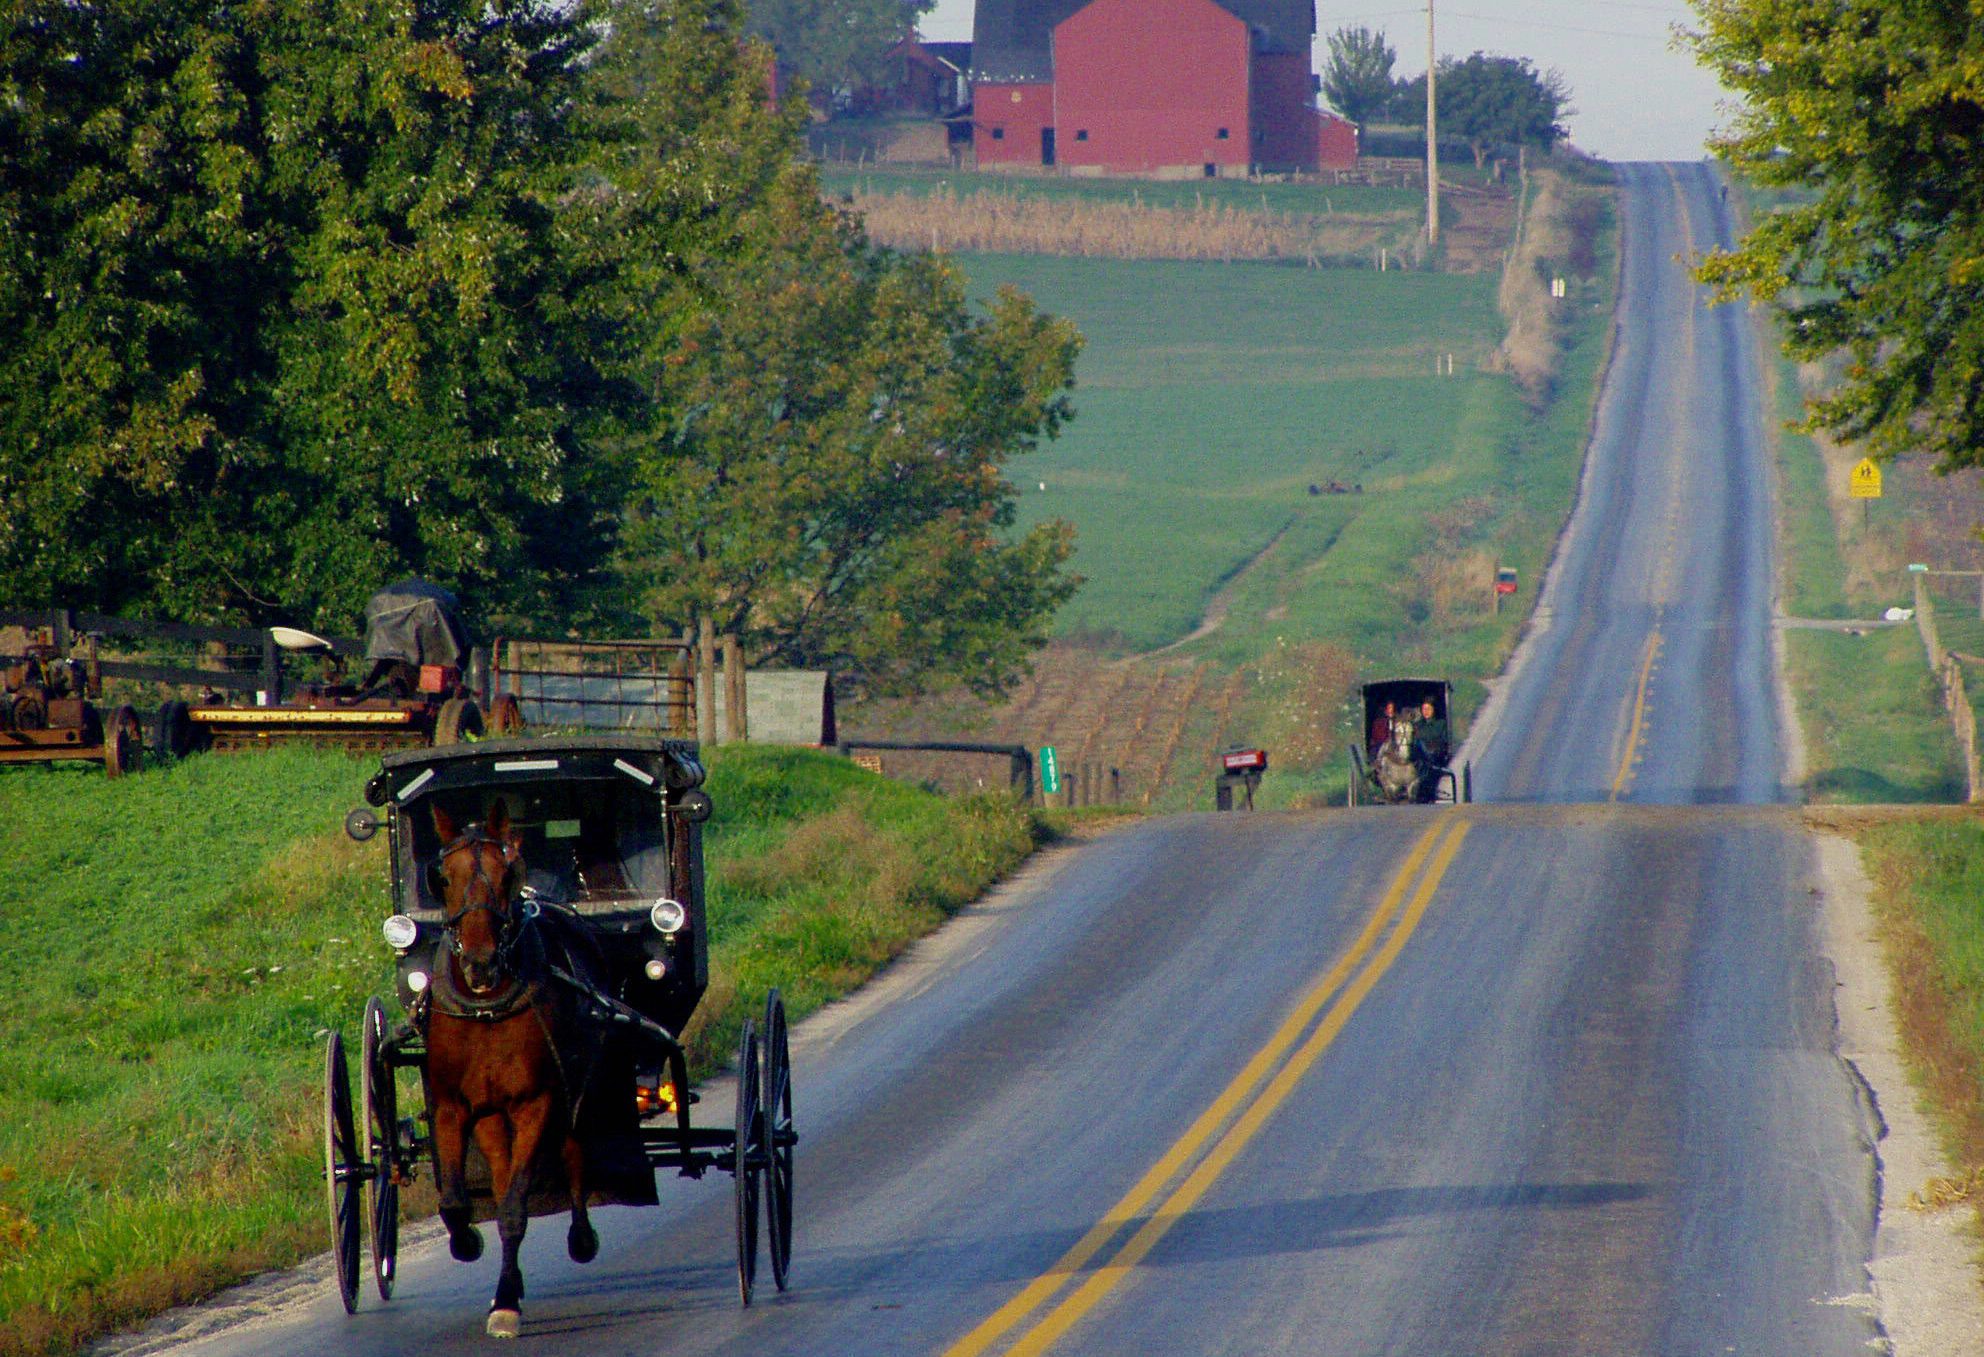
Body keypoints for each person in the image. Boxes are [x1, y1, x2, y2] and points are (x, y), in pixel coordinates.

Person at [1412, 699, 1449, 770]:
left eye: (1429, 709)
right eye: (1424, 709)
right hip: (1419, 758)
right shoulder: (1417, 725)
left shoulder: (1441, 724)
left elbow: (1444, 741)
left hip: (1435, 755)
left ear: (1433, 710)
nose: (1426, 711)